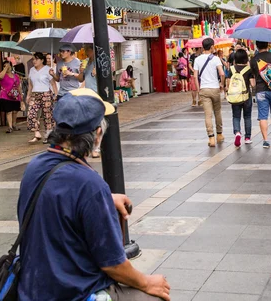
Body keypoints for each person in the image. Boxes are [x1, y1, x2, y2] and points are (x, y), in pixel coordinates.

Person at [16, 88, 170, 301]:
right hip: (73, 293)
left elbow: (58, 199)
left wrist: (104, 199)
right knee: (156, 296)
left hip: (33, 288)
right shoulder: (89, 184)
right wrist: (148, 282)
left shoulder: (35, 166)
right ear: (97, 134)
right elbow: (114, 265)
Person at [250, 40, 271, 149]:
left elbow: (253, 78)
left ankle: (265, 140)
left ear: (257, 46)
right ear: (267, 45)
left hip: (261, 91)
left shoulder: (253, 60)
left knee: (263, 116)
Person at [193, 37, 225, 147]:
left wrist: (198, 90)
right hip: (215, 88)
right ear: (211, 47)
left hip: (204, 89)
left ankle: (211, 138)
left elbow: (195, 77)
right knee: (217, 112)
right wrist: (221, 84)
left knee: (208, 115)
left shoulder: (197, 59)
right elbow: (222, 73)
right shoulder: (216, 59)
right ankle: (219, 135)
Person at [27, 53, 57, 144]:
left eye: (36, 59)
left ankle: (48, 135)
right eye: (33, 59)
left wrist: (56, 94)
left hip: (46, 94)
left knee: (47, 116)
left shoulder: (48, 70)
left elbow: (53, 84)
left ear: (42, 60)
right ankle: (36, 132)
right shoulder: (32, 70)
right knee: (31, 114)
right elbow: (30, 84)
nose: (34, 61)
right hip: (35, 94)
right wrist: (28, 95)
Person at [230, 48, 253, 147]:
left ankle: (237, 132)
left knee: (236, 116)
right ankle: (247, 137)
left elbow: (228, 84)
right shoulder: (249, 70)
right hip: (246, 96)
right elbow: (253, 84)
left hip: (235, 96)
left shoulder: (231, 69)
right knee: (247, 117)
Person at [0, 60, 23, 133]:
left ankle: (14, 124)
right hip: (5, 95)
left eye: (8, 65)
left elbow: (18, 86)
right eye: (4, 66)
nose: (7, 67)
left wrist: (21, 94)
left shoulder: (15, 76)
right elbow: (0, 77)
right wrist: (5, 69)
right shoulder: (2, 74)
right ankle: (10, 127)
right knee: (8, 111)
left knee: (15, 111)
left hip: (15, 95)